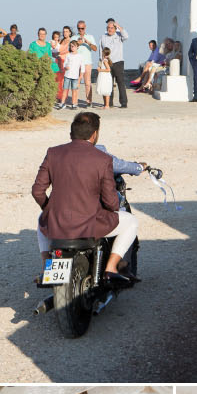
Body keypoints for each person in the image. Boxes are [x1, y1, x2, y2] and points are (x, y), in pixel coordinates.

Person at [32, 111, 139, 285]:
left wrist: (50, 210)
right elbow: (112, 203)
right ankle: (111, 267)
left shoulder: (53, 153)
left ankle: (46, 267)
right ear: (94, 134)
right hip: (90, 225)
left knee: (41, 220)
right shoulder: (102, 159)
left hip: (59, 223)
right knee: (131, 222)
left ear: (71, 133)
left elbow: (37, 191)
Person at [104, 19, 129, 108]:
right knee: (108, 83)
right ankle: (109, 103)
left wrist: (118, 25)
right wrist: (101, 61)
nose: (110, 29)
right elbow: (101, 49)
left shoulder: (119, 35)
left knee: (120, 83)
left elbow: (126, 36)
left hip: (118, 62)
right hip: (107, 63)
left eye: (111, 28)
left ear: (115, 29)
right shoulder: (104, 37)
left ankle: (124, 103)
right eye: (108, 28)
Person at [74, 21, 98, 106]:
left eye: (82, 28)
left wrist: (88, 43)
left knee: (88, 83)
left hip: (87, 63)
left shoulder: (90, 37)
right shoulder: (74, 37)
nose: (80, 30)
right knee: (76, 83)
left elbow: (95, 49)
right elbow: (70, 49)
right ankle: (74, 101)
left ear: (85, 28)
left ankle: (89, 101)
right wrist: (77, 43)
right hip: (76, 63)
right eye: (79, 28)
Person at [62, 39, 83, 109]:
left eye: (73, 46)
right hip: (67, 75)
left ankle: (74, 104)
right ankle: (62, 103)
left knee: (74, 90)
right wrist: (65, 67)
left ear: (77, 47)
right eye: (71, 46)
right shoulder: (68, 55)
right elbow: (64, 64)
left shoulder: (80, 56)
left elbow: (82, 66)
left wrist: (81, 75)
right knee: (65, 89)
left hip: (75, 76)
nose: (72, 47)